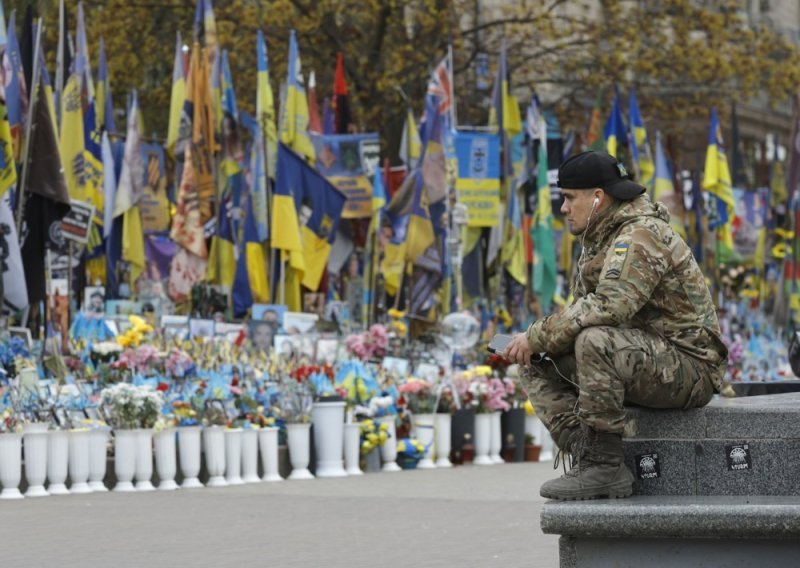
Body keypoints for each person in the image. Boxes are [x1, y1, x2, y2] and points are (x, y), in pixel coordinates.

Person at [503, 151, 727, 501]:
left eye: (569, 198)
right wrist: (535, 344)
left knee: (594, 341)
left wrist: (536, 334)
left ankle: (605, 467)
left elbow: (611, 305)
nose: (563, 208)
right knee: (537, 360)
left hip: (691, 367)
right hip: (646, 358)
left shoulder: (640, 234)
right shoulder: (602, 237)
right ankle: (585, 452)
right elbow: (583, 312)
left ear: (597, 198)